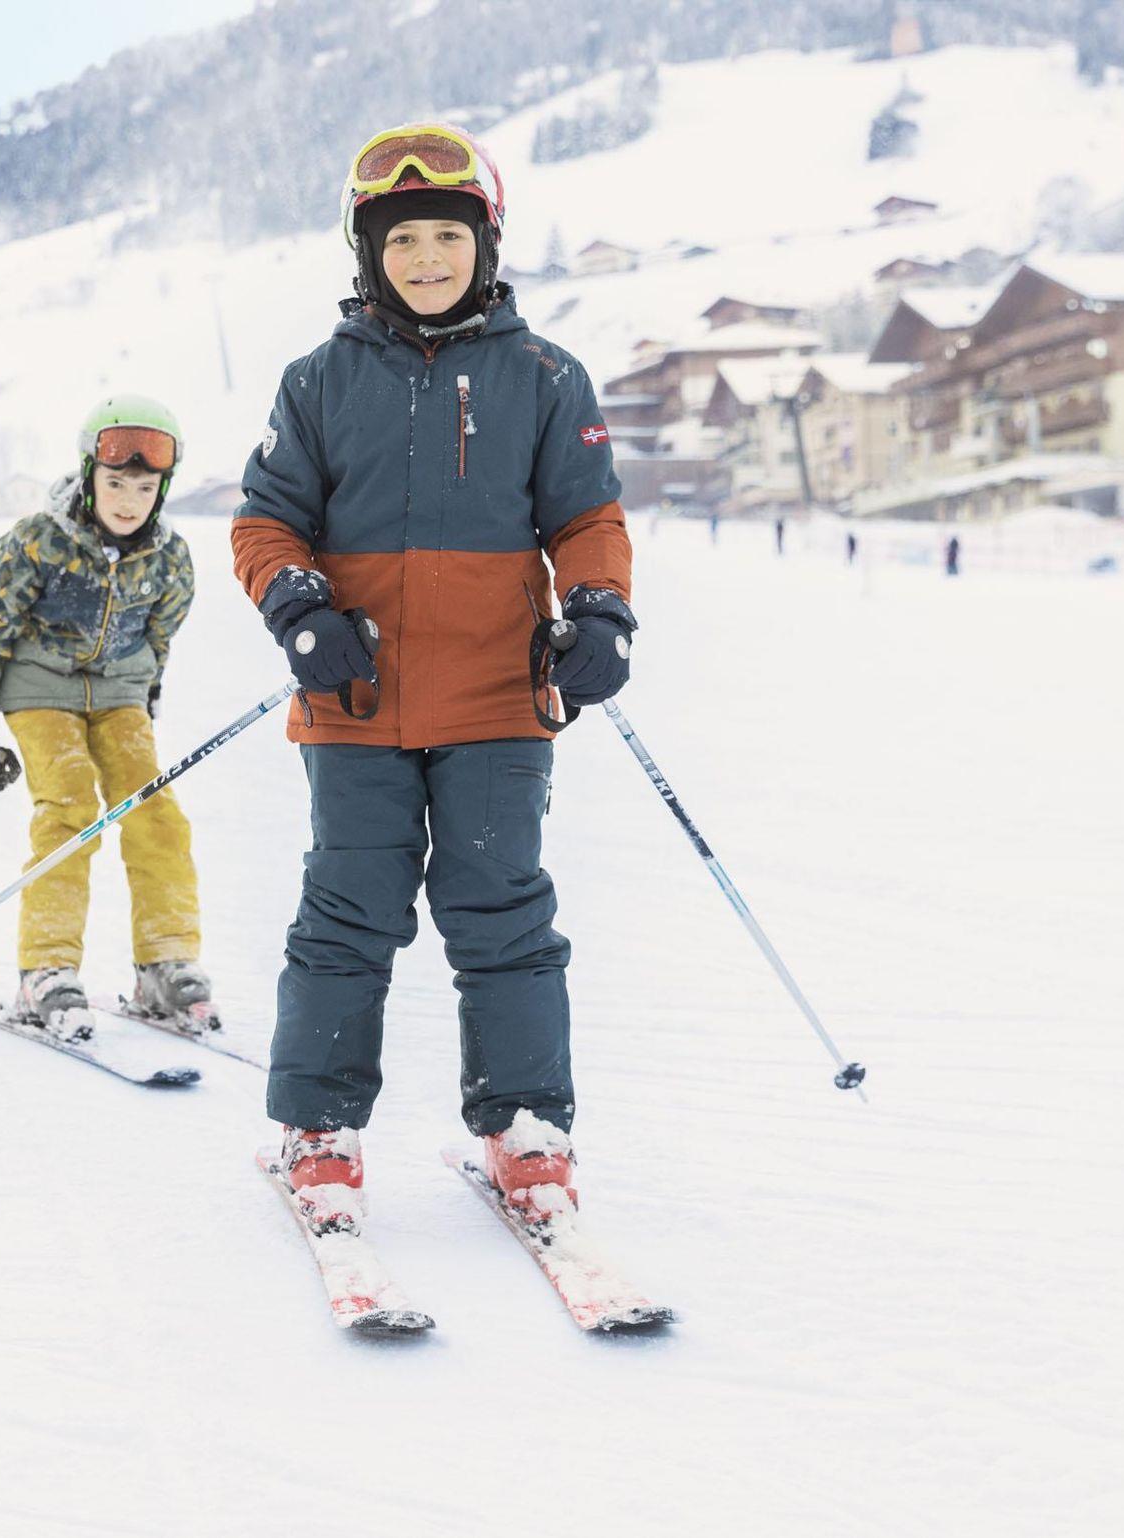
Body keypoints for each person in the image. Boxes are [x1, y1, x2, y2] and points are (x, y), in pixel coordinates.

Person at [233, 123, 634, 1233]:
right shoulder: (317, 381)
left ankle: (524, 1128)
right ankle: (318, 1130)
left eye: (445, 237)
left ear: (483, 245)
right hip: (354, 702)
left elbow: (587, 519)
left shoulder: (545, 376)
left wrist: (600, 611)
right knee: (345, 916)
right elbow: (267, 522)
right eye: (401, 238)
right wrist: (300, 610)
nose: (424, 258)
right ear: (368, 253)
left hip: (499, 702)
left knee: (502, 914)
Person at [0, 395, 218, 1043]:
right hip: (39, 688)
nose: (129, 501)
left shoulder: (169, 558)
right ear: (89, 476)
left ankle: (165, 963)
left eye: (145, 488)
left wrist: (146, 696)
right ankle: (45, 970)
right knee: (69, 806)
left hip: (119, 694)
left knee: (155, 809)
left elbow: (160, 634)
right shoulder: (36, 543)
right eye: (116, 483)